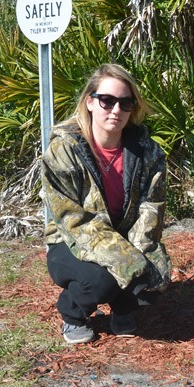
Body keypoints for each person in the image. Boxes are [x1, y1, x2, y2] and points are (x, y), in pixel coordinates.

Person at [41, 63, 171, 344]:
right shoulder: (64, 150)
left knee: (153, 277)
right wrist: (126, 259)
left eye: (125, 103)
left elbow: (152, 207)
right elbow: (73, 219)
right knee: (103, 280)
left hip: (121, 235)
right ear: (90, 102)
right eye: (107, 101)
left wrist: (143, 258)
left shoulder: (146, 151)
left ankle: (124, 308)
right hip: (70, 239)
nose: (115, 110)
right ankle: (72, 313)